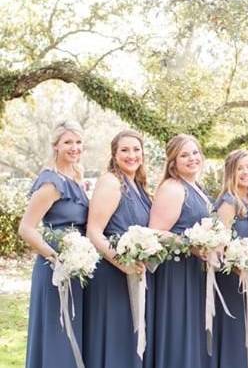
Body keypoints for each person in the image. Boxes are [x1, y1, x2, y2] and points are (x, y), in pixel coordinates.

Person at [19, 120, 89, 368]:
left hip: (77, 266)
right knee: (57, 334)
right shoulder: (51, 183)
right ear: (56, 146)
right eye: (68, 142)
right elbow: (26, 228)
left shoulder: (76, 177)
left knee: (72, 335)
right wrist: (55, 257)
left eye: (78, 142)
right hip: (55, 270)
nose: (74, 147)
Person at [84, 130, 153, 367]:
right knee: (116, 340)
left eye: (136, 149)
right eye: (124, 150)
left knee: (131, 340)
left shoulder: (139, 185)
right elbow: (93, 231)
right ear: (114, 154)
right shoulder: (111, 182)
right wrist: (123, 263)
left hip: (134, 272)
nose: (131, 155)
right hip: (111, 274)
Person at [149, 134, 212, 368]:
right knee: (179, 330)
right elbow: (155, 232)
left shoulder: (196, 186)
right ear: (173, 163)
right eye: (184, 155)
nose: (192, 158)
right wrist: (190, 245)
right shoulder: (173, 188)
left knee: (193, 332)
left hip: (195, 271)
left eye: (195, 153)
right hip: (177, 273)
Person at [211, 149, 248, 368]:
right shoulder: (229, 202)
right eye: (240, 168)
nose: (246, 172)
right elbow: (219, 246)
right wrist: (239, 264)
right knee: (235, 332)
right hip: (232, 278)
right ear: (231, 172)